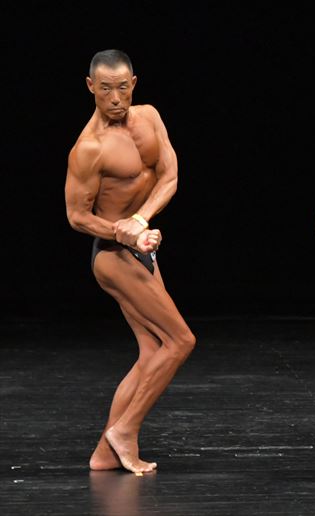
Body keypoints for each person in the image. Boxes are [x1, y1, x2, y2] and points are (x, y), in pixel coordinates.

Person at [64, 49, 195, 474]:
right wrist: (123, 232)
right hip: (113, 256)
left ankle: (104, 455)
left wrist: (140, 221)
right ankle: (124, 431)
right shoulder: (89, 148)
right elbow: (77, 216)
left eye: (123, 87)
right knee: (180, 341)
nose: (116, 98)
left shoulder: (150, 117)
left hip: (140, 246)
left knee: (151, 351)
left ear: (134, 83)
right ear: (91, 87)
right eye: (105, 89)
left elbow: (170, 176)